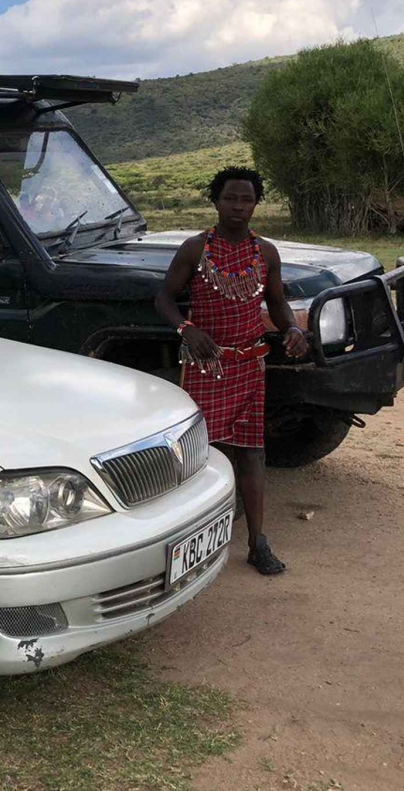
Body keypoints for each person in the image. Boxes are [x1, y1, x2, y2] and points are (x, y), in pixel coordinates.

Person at [154, 167, 308, 575]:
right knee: (200, 455)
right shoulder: (195, 249)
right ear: (216, 201)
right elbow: (164, 299)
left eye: (246, 199)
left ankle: (258, 543)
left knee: (253, 453)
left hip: (250, 366)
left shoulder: (266, 253)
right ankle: (190, 545)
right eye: (230, 198)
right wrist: (186, 330)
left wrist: (292, 328)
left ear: (256, 204)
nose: (238, 206)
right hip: (206, 365)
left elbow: (276, 304)